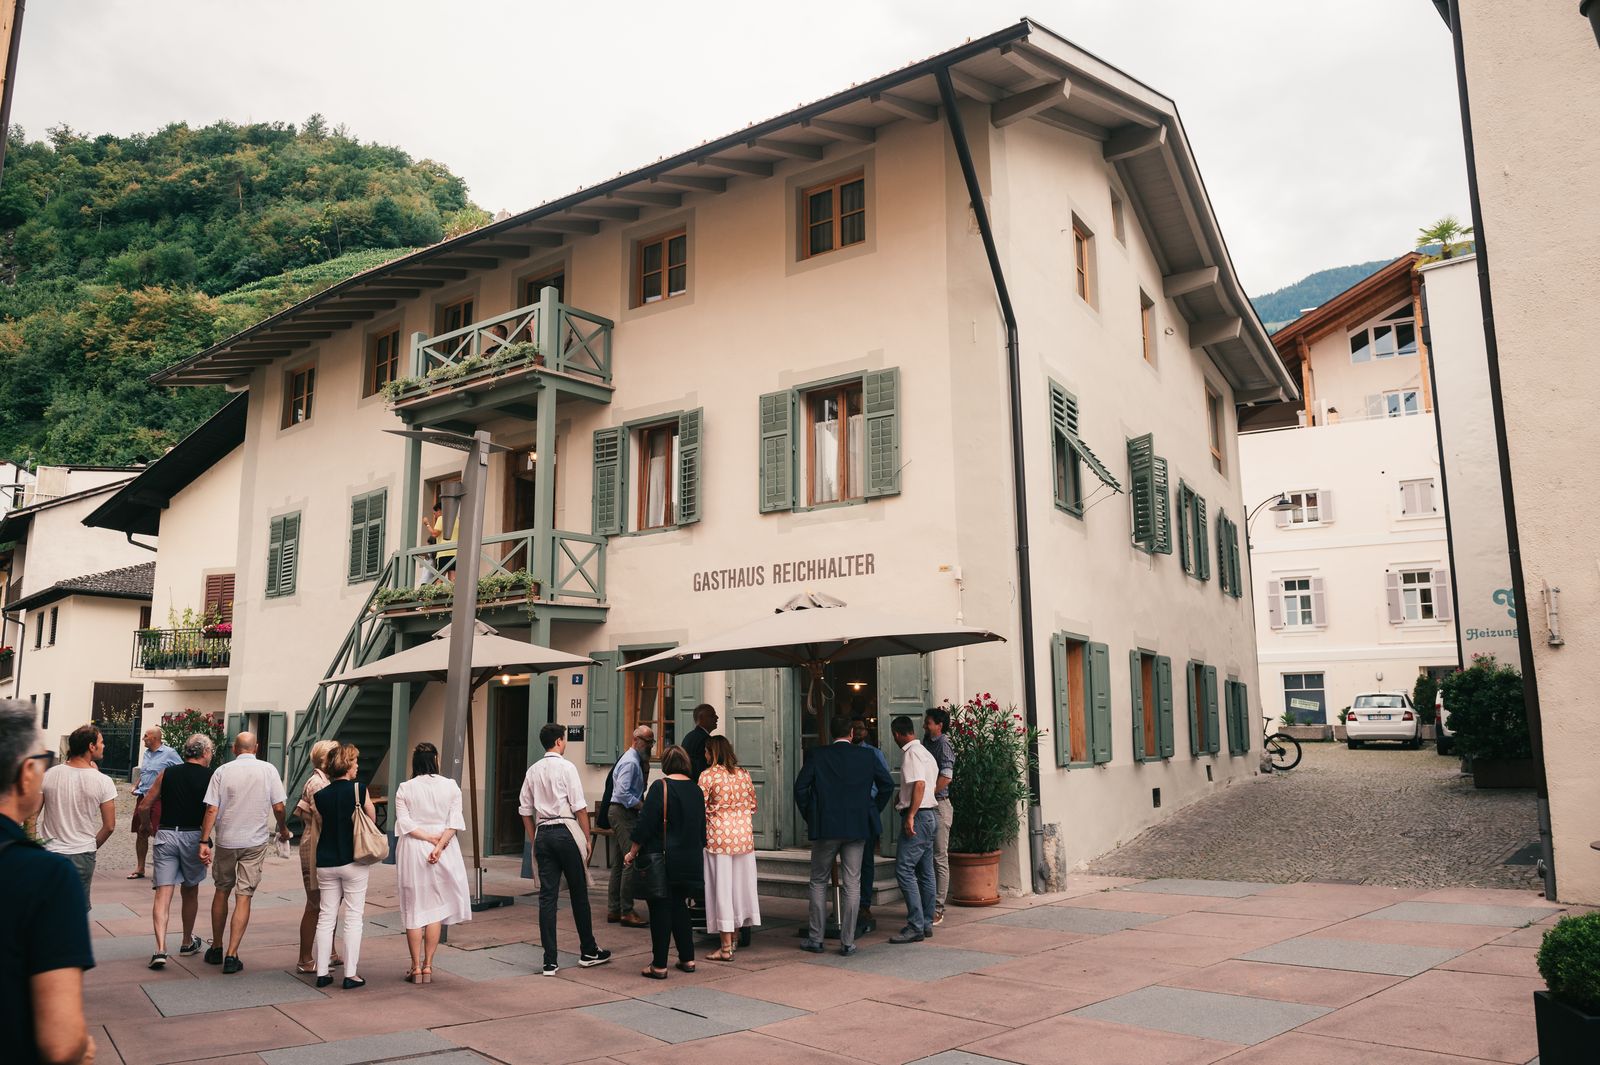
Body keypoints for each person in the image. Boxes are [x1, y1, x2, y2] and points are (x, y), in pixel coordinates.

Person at [0, 699, 96, 1065]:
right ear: (26, 772)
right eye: (43, 759)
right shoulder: (43, 876)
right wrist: (81, 1047)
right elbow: (61, 1042)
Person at [793, 716, 893, 957]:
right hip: (857, 826)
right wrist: (871, 810)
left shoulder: (817, 755)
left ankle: (816, 938)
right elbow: (887, 785)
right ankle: (848, 941)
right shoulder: (867, 756)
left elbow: (800, 788)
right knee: (853, 882)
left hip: (826, 825)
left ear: (831, 732)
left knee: (818, 881)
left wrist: (811, 815)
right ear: (851, 732)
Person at [520, 722, 611, 976]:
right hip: (566, 829)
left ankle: (550, 961)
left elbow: (524, 810)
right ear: (559, 741)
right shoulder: (567, 767)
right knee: (578, 892)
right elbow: (579, 806)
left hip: (543, 833)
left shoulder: (533, 770)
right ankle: (588, 950)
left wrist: (534, 836)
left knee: (547, 898)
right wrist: (587, 837)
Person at [199, 731, 289, 974]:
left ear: (235, 749)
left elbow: (211, 809)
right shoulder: (268, 769)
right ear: (257, 747)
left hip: (227, 839)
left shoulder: (222, 771)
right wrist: (283, 829)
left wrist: (204, 840)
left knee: (221, 890)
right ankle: (232, 954)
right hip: (255, 840)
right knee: (244, 895)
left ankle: (216, 947)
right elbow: (279, 807)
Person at [624, 745, 706, 979]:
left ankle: (659, 965)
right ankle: (687, 958)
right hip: (690, 859)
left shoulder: (661, 787)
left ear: (666, 764)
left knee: (660, 909)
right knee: (680, 906)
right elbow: (702, 829)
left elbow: (645, 826)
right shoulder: (696, 790)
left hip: (665, 860)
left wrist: (631, 853)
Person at [134, 733, 215, 970]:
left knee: (163, 893)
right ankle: (187, 941)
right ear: (205, 753)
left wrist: (148, 826)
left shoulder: (167, 773)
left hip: (166, 834)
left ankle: (160, 948)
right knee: (190, 891)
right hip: (193, 836)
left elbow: (145, 805)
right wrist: (205, 839)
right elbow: (213, 809)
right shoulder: (211, 777)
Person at [394, 741, 471, 985]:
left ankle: (415, 967)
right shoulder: (451, 786)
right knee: (435, 909)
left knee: (414, 907)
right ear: (435, 760)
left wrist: (427, 839)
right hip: (444, 849)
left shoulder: (405, 788)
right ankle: (428, 966)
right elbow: (454, 821)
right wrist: (438, 846)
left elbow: (404, 823)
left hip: (414, 848)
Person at [312, 743, 375, 990]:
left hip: (326, 860)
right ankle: (350, 974)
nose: (358, 765)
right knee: (353, 916)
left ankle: (322, 972)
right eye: (355, 761)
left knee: (326, 916)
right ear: (348, 765)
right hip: (353, 859)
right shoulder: (359, 789)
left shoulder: (321, 795)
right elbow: (370, 818)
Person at [38, 724, 117, 908]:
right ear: (91, 746)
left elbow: (32, 816)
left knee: (49, 906)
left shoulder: (49, 775)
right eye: (101, 742)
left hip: (50, 852)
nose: (104, 746)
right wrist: (90, 846)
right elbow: (110, 826)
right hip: (82, 853)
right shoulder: (103, 781)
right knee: (75, 909)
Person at [698, 735, 758, 961]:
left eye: (706, 752)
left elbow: (699, 807)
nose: (704, 756)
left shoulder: (708, 776)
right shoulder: (743, 774)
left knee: (722, 890)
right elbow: (753, 806)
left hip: (719, 839)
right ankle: (733, 940)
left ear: (711, 752)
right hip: (744, 839)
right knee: (740, 890)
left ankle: (725, 947)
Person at [889, 715, 941, 944]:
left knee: (904, 869)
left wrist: (910, 814)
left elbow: (919, 783)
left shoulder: (911, 753)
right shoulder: (926, 753)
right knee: (926, 871)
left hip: (919, 816)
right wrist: (902, 797)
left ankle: (916, 924)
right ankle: (927, 922)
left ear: (897, 734)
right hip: (930, 815)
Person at [293, 739, 340, 973]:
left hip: (315, 841)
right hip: (316, 844)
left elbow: (300, 810)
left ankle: (329, 950)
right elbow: (323, 818)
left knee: (327, 902)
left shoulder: (318, 780)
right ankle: (305, 958)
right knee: (315, 903)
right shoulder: (319, 784)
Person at [608, 725, 653, 927]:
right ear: (636, 740)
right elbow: (623, 793)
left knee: (619, 862)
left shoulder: (635, 760)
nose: (650, 745)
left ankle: (614, 909)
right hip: (623, 812)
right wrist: (642, 805)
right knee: (629, 860)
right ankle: (626, 910)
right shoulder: (631, 762)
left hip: (620, 812)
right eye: (648, 741)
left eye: (652, 742)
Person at [850, 717, 891, 936]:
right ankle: (846, 906)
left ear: (866, 732)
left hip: (867, 812)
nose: (857, 732)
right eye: (854, 728)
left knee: (865, 862)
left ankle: (864, 905)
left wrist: (874, 808)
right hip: (846, 815)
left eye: (861, 728)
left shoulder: (874, 754)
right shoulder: (842, 752)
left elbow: (885, 784)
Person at [129, 727, 182, 881]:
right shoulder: (146, 753)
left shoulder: (170, 753)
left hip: (160, 798)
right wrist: (136, 784)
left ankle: (162, 871)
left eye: (146, 735)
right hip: (143, 797)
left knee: (159, 833)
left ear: (154, 738)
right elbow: (145, 772)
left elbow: (179, 771)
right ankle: (140, 867)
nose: (143, 738)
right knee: (141, 832)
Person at [923, 707, 956, 926]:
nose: (925, 725)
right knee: (927, 855)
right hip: (927, 804)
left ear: (939, 725)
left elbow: (946, 776)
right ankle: (928, 904)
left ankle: (938, 908)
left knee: (939, 856)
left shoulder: (943, 744)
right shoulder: (926, 743)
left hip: (940, 805)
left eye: (928, 722)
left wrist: (927, 793)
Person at [680, 704, 717, 781]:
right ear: (702, 718)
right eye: (712, 715)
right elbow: (702, 767)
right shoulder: (705, 739)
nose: (717, 718)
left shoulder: (689, 736)